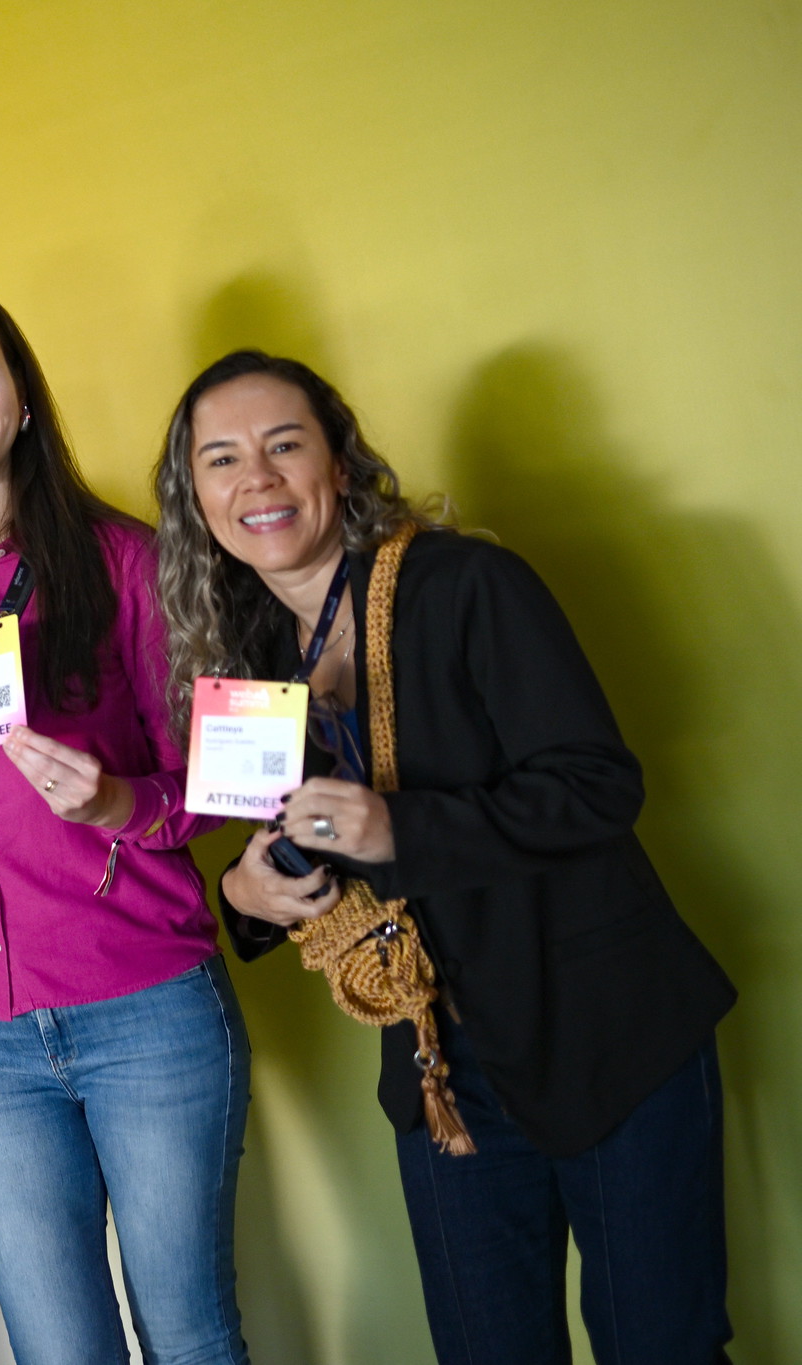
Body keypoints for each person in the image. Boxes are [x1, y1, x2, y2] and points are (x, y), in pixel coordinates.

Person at [152, 348, 736, 1365]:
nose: (257, 479)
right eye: (221, 459)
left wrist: (399, 830)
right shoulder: (241, 653)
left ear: (339, 462)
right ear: (194, 497)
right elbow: (285, 848)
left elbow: (600, 783)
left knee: (660, 1347)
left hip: (603, 1031)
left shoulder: (465, 584)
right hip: (439, 1068)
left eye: (284, 445)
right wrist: (245, 898)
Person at [0, 272, 250, 1365]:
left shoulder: (128, 559)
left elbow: (223, 784)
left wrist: (120, 803)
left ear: (19, 394)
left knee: (187, 1331)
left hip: (145, 1009)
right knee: (57, 1351)